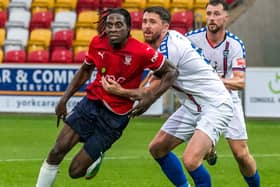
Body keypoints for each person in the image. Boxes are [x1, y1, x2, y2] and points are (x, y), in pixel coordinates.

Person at [35, 8, 178, 187]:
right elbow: (85, 70)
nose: (113, 29)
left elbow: (172, 72)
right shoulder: (97, 42)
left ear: (128, 29)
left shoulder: (142, 51)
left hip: (115, 117)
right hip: (91, 103)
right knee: (56, 151)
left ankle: (96, 154)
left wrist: (150, 98)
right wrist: (63, 100)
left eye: (119, 25)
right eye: (109, 25)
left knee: (75, 172)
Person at [101, 6, 234, 187]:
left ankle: (206, 147)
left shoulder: (170, 49)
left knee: (191, 160)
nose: (146, 27)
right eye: (145, 22)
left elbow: (150, 92)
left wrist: (120, 92)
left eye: (152, 22)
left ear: (165, 27)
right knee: (157, 149)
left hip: (216, 105)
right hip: (193, 106)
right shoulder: (162, 44)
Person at [185, 0, 260, 186]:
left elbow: (240, 81)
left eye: (216, 14)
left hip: (228, 100)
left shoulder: (235, 45)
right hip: (200, 101)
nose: (211, 18)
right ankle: (208, 147)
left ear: (226, 17)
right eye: (209, 13)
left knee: (241, 154)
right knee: (191, 155)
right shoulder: (191, 39)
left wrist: (218, 81)